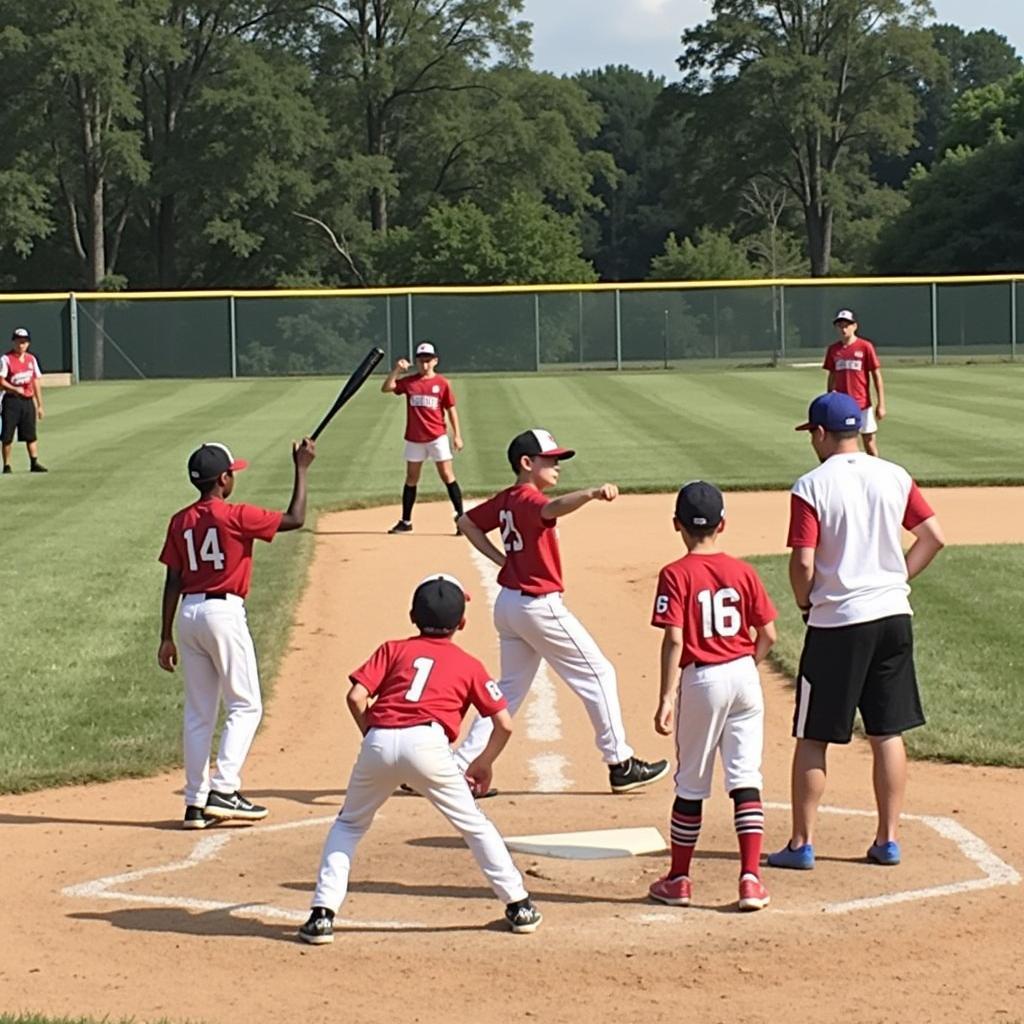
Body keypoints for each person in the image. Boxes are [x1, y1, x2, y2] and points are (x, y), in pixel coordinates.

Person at [298, 574, 541, 944]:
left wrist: (375, 738)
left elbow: (355, 697)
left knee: (348, 826)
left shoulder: (392, 649)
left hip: (378, 739)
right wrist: (483, 763)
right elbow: (503, 724)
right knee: (474, 826)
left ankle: (321, 915)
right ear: (462, 622)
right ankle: (518, 904)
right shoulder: (468, 662)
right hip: (430, 745)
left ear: (412, 616)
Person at [767, 393, 945, 872]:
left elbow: (803, 560)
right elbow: (932, 536)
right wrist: (897, 579)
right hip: (893, 616)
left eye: (812, 435)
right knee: (887, 731)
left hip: (838, 622)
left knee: (813, 735)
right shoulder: (893, 473)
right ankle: (888, 840)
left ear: (821, 434)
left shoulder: (811, 485)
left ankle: (802, 843)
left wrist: (806, 602)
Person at [454, 428, 669, 793]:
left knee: (507, 693)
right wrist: (591, 493)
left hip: (509, 604)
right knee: (599, 674)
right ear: (526, 463)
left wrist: (500, 562)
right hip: (538, 606)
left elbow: (466, 523)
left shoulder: (507, 499)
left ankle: (457, 766)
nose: (557, 466)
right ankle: (620, 762)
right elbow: (552, 509)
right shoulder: (526, 499)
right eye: (550, 460)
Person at [157, 438, 315, 829]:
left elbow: (172, 579)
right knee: (246, 705)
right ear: (224, 479)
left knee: (199, 714)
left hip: (189, 615)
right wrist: (302, 468)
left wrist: (165, 635)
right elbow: (295, 518)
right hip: (223, 614)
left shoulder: (180, 520)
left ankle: (195, 803)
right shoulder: (235, 515)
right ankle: (224, 787)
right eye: (233, 473)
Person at [647, 481, 777, 912]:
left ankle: (680, 879)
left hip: (701, 680)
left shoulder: (675, 573)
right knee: (745, 776)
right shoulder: (743, 571)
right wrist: (746, 668)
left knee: (691, 783)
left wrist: (666, 696)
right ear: (723, 524)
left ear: (675, 526)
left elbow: (674, 640)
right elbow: (769, 635)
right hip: (743, 675)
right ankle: (751, 881)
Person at [381, 340, 464, 535]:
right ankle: (406, 521)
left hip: (437, 436)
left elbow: (451, 409)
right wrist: (396, 370)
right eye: (420, 361)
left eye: (428, 360)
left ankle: (462, 519)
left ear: (435, 361)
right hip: (414, 438)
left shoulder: (442, 383)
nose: (424, 364)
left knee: (447, 476)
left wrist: (457, 435)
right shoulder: (410, 382)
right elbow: (386, 388)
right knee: (411, 478)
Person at [823, 309, 885, 456]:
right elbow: (832, 375)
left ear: (854, 326)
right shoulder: (834, 350)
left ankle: (875, 474)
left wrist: (881, 404)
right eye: (840, 326)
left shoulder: (865, 347)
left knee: (869, 442)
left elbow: (876, 375)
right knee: (843, 445)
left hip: (862, 403)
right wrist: (829, 399)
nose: (844, 329)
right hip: (842, 405)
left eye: (847, 325)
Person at [0, 327, 47, 474]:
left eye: (24, 342)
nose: (21, 345)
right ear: (13, 342)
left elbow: (36, 382)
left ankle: (34, 462)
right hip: (11, 401)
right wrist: (14, 389)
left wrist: (40, 405)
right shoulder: (6, 359)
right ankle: (7, 465)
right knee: (7, 435)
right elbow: (1, 381)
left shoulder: (31, 359)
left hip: (27, 401)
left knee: (30, 434)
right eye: (19, 342)